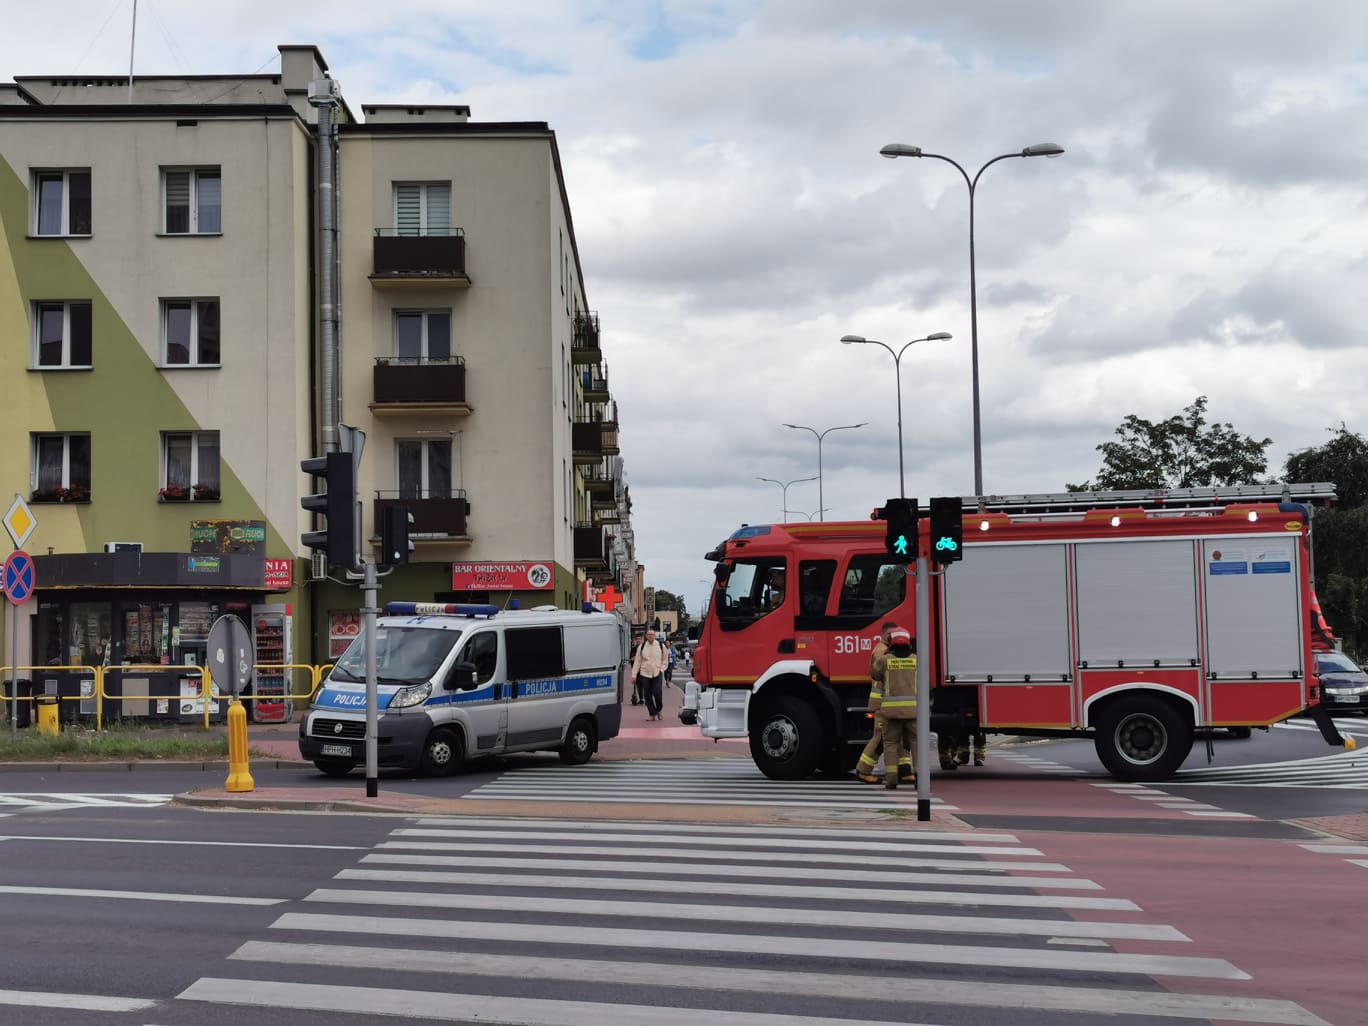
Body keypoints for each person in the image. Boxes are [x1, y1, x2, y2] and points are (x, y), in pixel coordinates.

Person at [855, 621, 900, 784]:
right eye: (892, 634)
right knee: (880, 737)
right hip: (882, 702)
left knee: (893, 736)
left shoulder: (882, 649)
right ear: (886, 633)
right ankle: (863, 770)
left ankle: (903, 771)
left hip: (883, 701)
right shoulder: (882, 652)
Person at [878, 627, 919, 790]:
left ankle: (891, 780)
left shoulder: (884, 660)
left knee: (890, 744)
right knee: (916, 744)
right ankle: (920, 779)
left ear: (891, 643)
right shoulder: (917, 660)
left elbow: (875, 674)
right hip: (913, 712)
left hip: (891, 713)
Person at [630, 627, 668, 721]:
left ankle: (658, 709)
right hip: (645, 673)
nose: (651, 636)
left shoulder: (660, 645)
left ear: (655, 636)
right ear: (646, 636)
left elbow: (665, 659)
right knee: (647, 695)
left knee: (657, 693)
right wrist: (634, 675)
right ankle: (652, 714)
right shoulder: (642, 647)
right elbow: (637, 662)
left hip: (657, 673)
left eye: (652, 634)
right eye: (649, 635)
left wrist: (662, 669)